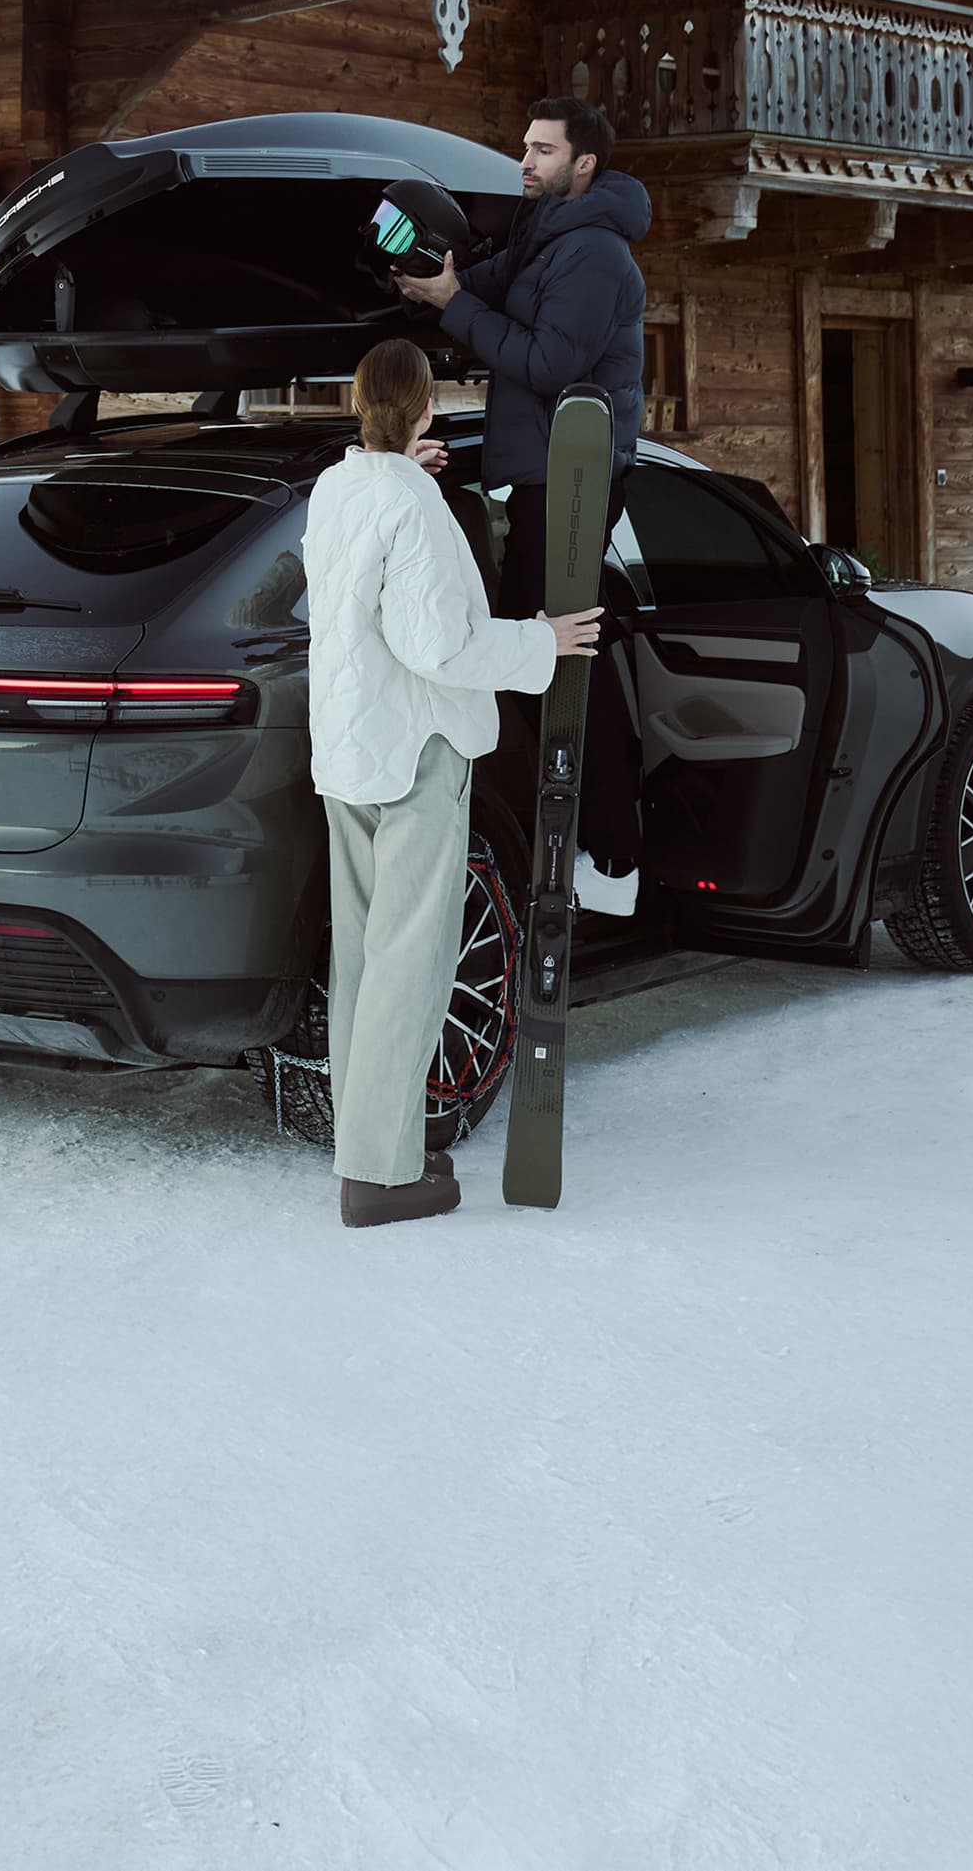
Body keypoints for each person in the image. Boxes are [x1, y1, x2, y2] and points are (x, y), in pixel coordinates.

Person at [301, 338, 602, 1229]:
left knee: (360, 957)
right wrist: (544, 640)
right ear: (427, 409)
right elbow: (440, 645)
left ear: (363, 409)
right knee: (411, 959)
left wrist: (406, 468)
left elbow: (374, 539)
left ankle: (366, 1148)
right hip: (415, 752)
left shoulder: (338, 488)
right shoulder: (414, 506)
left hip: (349, 753)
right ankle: (383, 1174)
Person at [393, 95, 650, 915]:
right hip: (538, 477)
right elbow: (477, 285)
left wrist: (452, 305)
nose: (526, 162)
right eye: (525, 147)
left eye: (543, 150)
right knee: (530, 651)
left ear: (585, 165)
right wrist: (427, 280)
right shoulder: (544, 237)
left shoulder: (598, 256)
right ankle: (556, 828)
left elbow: (548, 361)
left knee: (564, 655)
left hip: (573, 479)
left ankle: (612, 853)